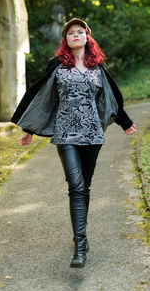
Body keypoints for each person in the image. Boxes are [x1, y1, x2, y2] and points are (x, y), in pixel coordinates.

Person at [11, 18, 137, 268]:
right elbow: (43, 97)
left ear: (87, 37)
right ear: (66, 39)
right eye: (71, 33)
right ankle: (80, 246)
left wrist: (124, 122)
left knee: (85, 186)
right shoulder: (56, 66)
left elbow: (110, 97)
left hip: (92, 134)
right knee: (76, 186)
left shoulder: (97, 66)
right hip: (65, 133)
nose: (76, 35)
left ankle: (80, 237)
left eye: (80, 32)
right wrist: (29, 130)